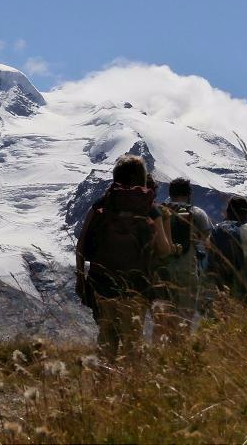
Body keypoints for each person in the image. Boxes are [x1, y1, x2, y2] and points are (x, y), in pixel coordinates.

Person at [75, 154, 175, 359]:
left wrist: (80, 279)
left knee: (106, 340)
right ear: (142, 177)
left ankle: (103, 385)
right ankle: (131, 387)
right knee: (133, 343)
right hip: (136, 287)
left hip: (102, 285)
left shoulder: (102, 204)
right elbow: (164, 250)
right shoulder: (150, 209)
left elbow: (81, 245)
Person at [157, 178, 213, 327]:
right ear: (189, 194)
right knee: (185, 319)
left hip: (162, 270)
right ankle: (182, 347)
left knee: (163, 320)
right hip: (187, 270)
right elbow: (208, 241)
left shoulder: (161, 210)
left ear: (170, 193)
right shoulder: (197, 213)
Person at [207, 195, 247, 302]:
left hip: (221, 281)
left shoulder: (217, 229)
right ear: (246, 211)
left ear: (228, 210)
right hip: (245, 282)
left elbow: (209, 251)